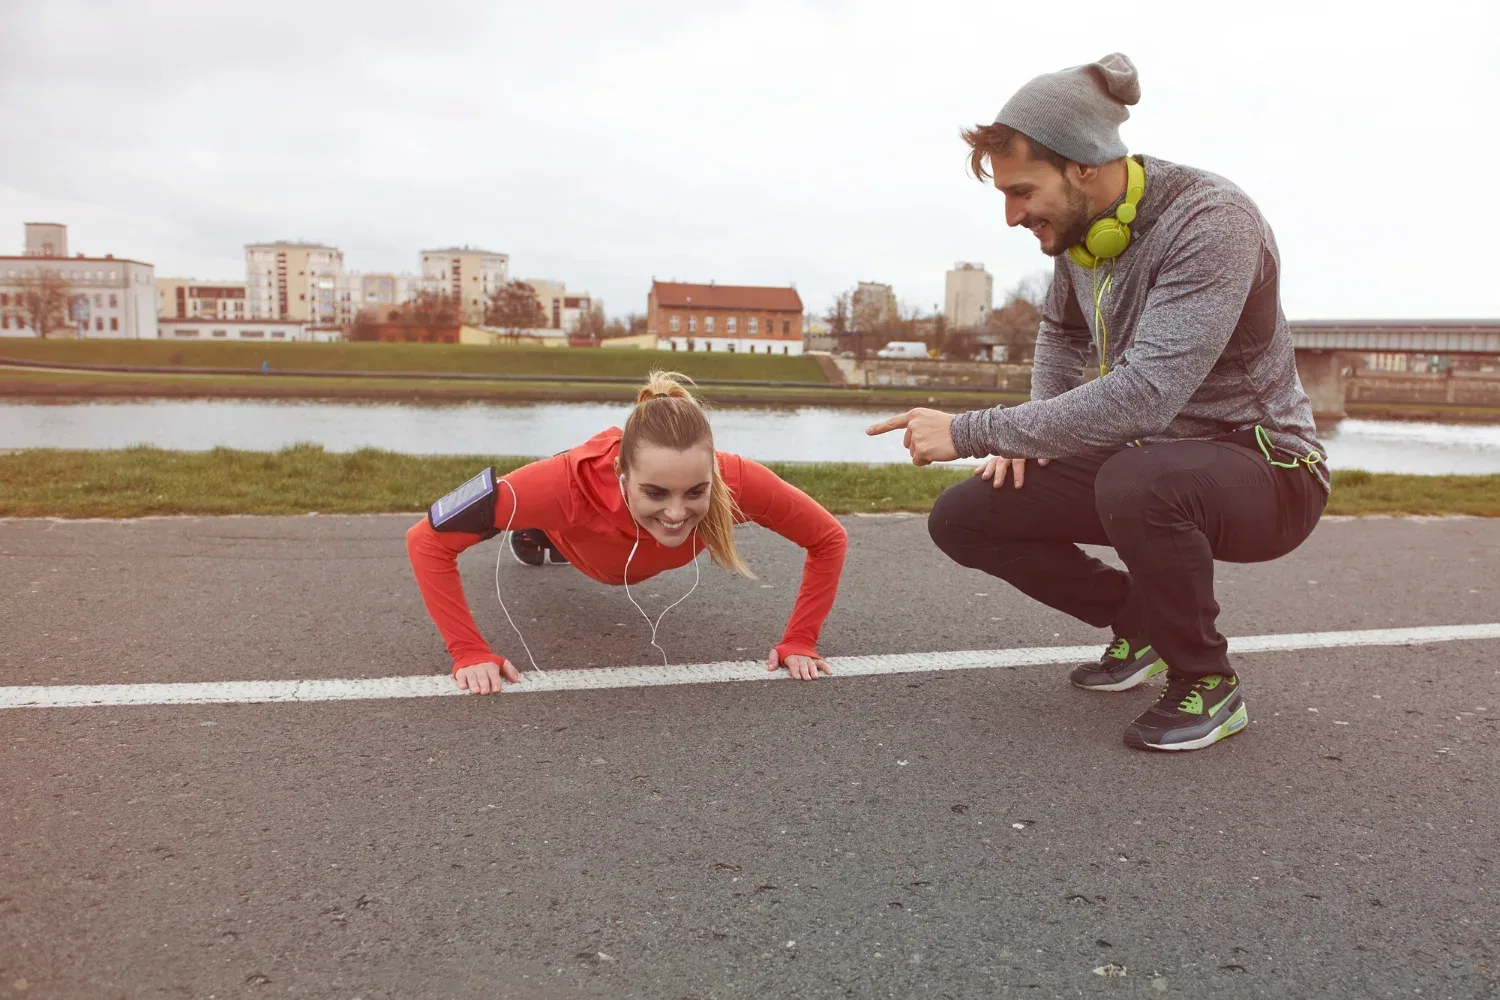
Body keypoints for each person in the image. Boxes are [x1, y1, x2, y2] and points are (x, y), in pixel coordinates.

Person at [868, 53, 1327, 752]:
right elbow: (1060, 331)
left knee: (1137, 479)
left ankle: (1207, 680)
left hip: (1270, 471)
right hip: (1151, 461)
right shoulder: (1081, 237)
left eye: (1022, 191)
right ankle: (1139, 622)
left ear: (1084, 166)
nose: (1011, 215)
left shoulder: (1212, 222)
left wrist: (974, 431)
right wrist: (1036, 436)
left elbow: (1146, 395)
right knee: (965, 516)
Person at [407, 371, 848, 692]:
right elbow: (425, 540)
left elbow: (829, 538)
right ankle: (535, 533)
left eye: (695, 491)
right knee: (543, 521)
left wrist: (800, 640)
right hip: (570, 530)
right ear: (621, 472)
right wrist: (469, 653)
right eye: (655, 493)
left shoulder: (738, 482)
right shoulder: (560, 484)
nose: (676, 513)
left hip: (613, 554)